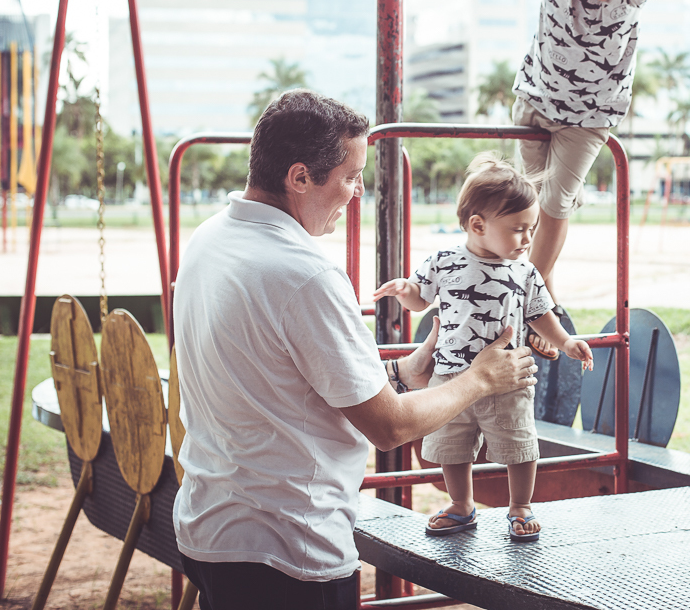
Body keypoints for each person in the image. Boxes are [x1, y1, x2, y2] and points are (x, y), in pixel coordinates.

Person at [172, 90, 539, 610]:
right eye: (349, 176)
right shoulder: (305, 274)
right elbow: (389, 427)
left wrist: (403, 371)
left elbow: (281, 383)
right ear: (299, 177)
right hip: (289, 552)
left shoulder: (211, 238)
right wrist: (481, 378)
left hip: (211, 528)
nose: (357, 191)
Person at [374, 153, 594, 542]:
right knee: (450, 446)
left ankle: (520, 505)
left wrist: (566, 341)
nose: (528, 239)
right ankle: (462, 505)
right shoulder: (444, 261)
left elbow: (541, 313)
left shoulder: (525, 272)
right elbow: (420, 298)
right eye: (518, 229)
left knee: (519, 442)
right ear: (478, 225)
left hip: (508, 377)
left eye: (532, 228)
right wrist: (404, 290)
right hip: (450, 375)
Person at [513, 0, 652, 308]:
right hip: (535, 100)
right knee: (523, 203)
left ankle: (524, 299)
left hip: (589, 119)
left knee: (555, 205)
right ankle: (541, 290)